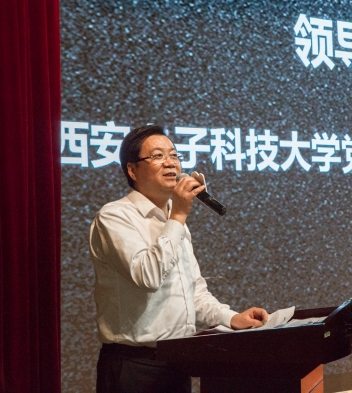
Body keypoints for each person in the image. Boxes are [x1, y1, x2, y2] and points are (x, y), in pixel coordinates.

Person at [89, 125, 268, 393]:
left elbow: (193, 293)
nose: (170, 162)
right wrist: (179, 216)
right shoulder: (115, 216)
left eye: (174, 155)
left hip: (177, 362)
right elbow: (147, 277)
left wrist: (232, 319)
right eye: (157, 156)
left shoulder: (175, 221)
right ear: (132, 170)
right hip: (133, 366)